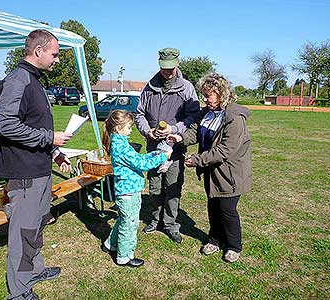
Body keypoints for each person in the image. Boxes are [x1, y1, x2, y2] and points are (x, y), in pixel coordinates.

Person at [0, 29, 72, 300]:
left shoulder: (34, 80)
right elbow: (6, 125)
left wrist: (54, 152)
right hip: (24, 173)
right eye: (55, 54)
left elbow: (33, 125)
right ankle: (18, 292)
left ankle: (34, 270)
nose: (57, 60)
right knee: (22, 233)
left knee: (36, 225)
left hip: (40, 170)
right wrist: (49, 137)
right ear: (38, 51)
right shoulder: (18, 80)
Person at [167, 73, 252, 262]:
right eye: (203, 95)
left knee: (227, 209)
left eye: (208, 95)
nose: (204, 99)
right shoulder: (207, 112)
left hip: (230, 173)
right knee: (213, 206)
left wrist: (197, 160)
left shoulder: (234, 118)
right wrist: (180, 138)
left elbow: (225, 150)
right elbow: (195, 132)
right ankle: (214, 239)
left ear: (221, 93)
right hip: (211, 171)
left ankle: (233, 246)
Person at [135, 48, 200, 243]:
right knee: (155, 187)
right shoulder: (149, 88)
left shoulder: (187, 88)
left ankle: (170, 224)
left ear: (177, 64)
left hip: (176, 148)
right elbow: (139, 114)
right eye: (164, 68)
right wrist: (149, 131)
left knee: (173, 188)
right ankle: (156, 219)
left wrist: (173, 129)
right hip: (154, 148)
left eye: (171, 68)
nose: (167, 72)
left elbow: (193, 118)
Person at [101, 110, 172, 267]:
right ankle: (124, 256)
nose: (131, 130)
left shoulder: (120, 142)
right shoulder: (121, 146)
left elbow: (138, 159)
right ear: (118, 128)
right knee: (130, 225)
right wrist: (162, 157)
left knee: (123, 220)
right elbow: (142, 165)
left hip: (127, 191)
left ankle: (110, 244)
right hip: (129, 193)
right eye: (129, 127)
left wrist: (155, 153)